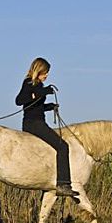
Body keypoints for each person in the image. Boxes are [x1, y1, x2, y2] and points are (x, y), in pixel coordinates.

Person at [15, 57, 78, 197]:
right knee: (63, 146)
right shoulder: (28, 83)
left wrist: (49, 107)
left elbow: (35, 106)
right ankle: (63, 184)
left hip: (38, 121)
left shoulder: (38, 86)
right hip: (32, 124)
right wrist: (41, 93)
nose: (47, 75)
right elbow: (19, 101)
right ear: (39, 70)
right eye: (45, 72)